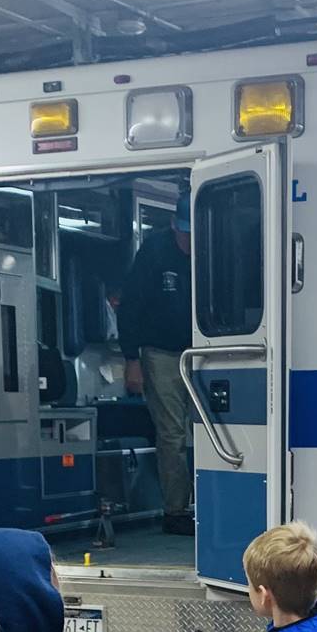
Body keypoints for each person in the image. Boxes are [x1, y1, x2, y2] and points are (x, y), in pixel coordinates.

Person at [118, 195, 195, 535]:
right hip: (160, 353)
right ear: (174, 226)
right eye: (185, 234)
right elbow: (130, 307)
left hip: (204, 352)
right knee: (172, 434)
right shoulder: (154, 252)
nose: (189, 242)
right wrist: (132, 359)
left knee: (209, 431)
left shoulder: (214, 247)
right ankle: (175, 511)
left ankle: (206, 506)